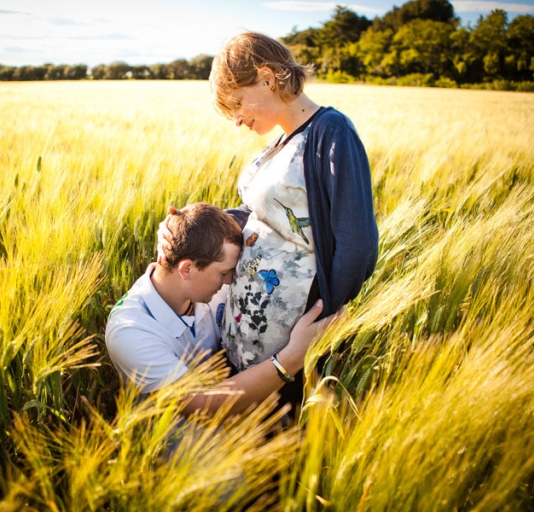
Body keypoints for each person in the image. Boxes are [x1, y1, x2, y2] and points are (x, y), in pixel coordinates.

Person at [160, 32, 378, 410]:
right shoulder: (280, 143)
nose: (237, 121)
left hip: (291, 343)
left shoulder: (332, 133)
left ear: (267, 77)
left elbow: (357, 244)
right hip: (246, 338)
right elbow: (258, 218)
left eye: (238, 104)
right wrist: (191, 227)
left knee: (283, 446)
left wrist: (322, 321)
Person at [106, 202, 335, 417]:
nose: (229, 282)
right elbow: (201, 407)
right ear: (186, 269)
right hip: (174, 442)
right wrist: (294, 356)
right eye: (223, 273)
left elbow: (251, 212)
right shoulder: (129, 331)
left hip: (236, 412)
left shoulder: (201, 281)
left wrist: (182, 224)